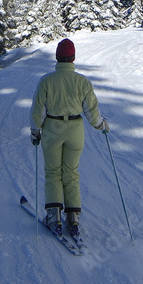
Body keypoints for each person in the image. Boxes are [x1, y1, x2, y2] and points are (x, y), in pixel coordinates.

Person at [30, 38, 108, 238]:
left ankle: (53, 217)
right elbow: (91, 112)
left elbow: (38, 111)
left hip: (52, 131)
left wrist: (35, 131)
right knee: (71, 173)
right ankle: (73, 219)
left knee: (53, 173)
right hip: (75, 131)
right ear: (73, 58)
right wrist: (101, 125)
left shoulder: (46, 81)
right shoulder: (83, 82)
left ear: (57, 57)